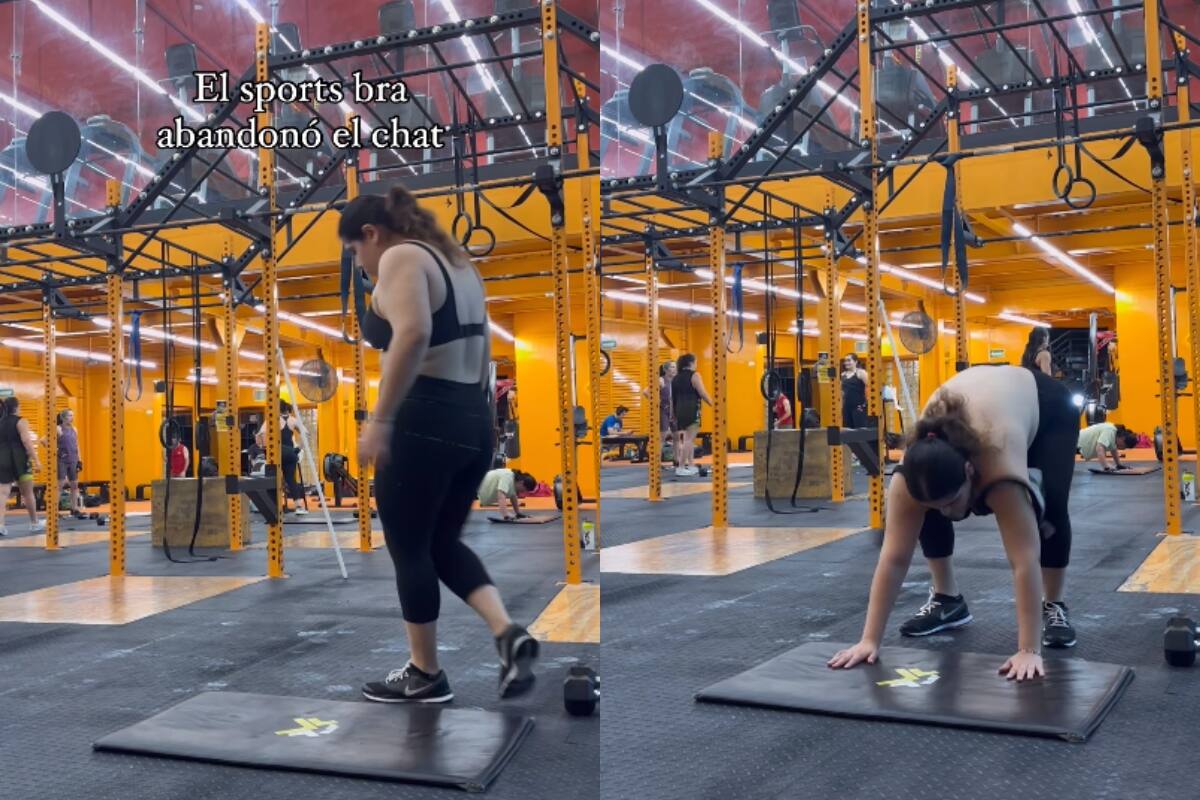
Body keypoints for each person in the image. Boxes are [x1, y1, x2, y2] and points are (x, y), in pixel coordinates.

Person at [339, 184, 538, 704]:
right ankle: (506, 632)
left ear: (370, 233)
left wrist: (381, 419)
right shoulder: (460, 264)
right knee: (442, 543)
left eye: (356, 252)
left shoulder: (402, 257)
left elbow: (412, 334)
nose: (360, 265)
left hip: (422, 417)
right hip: (471, 418)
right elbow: (481, 348)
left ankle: (424, 673)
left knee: (408, 549)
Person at [828, 364, 1079, 682]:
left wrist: (1028, 650)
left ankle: (1054, 605)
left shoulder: (999, 473)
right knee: (930, 502)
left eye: (952, 503)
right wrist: (869, 640)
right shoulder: (909, 479)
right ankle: (948, 599)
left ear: (972, 474)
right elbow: (893, 559)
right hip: (981, 401)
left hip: (1043, 403)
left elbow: (1023, 560)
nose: (948, 514)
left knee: (1051, 510)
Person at [0, 397, 43, 535]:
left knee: (3, 493)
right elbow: (26, 442)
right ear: (17, 407)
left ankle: (0, 525)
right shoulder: (21, 421)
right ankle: (34, 523)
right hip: (19, 459)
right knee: (28, 492)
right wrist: (37, 460)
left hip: (3, 459)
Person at [257, 401, 306, 515]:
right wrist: (298, 449)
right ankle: (299, 506)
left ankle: (273, 507)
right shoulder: (293, 420)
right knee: (291, 480)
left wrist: (264, 447)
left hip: (277, 452)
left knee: (273, 480)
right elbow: (305, 434)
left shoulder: (272, 420)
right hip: (291, 453)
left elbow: (261, 436)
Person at [672, 353, 713, 477]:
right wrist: (714, 404)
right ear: (690, 363)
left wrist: (674, 413)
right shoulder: (695, 375)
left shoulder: (676, 377)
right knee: (689, 440)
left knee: (686, 439)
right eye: (695, 362)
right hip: (691, 408)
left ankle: (690, 465)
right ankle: (680, 467)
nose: (696, 364)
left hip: (679, 409)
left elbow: (673, 398)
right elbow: (702, 393)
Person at [56, 410, 84, 518]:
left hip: (73, 459)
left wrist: (79, 460)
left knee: (74, 485)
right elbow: (44, 440)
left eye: (72, 415)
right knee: (60, 484)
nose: (72, 417)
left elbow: (77, 446)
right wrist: (56, 452)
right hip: (62, 460)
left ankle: (74, 508)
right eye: (69, 415)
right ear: (63, 418)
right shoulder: (58, 429)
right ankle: (54, 510)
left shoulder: (74, 429)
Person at [841, 354, 869, 428]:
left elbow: (870, 387)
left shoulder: (861, 373)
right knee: (847, 431)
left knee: (860, 431)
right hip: (846, 408)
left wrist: (865, 405)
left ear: (856, 362)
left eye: (849, 360)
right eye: (845, 361)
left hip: (858, 407)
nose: (846, 363)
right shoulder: (843, 375)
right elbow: (842, 392)